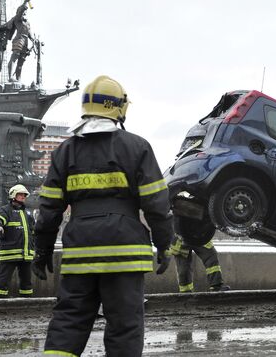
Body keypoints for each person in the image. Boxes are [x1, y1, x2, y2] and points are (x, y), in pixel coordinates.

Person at [32, 75, 174, 356]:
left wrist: (42, 250)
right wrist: (164, 244)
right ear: (119, 107)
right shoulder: (137, 147)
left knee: (68, 322)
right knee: (124, 327)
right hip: (126, 252)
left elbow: (49, 210)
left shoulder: (65, 151)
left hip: (80, 251)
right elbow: (157, 204)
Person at [0, 184, 35, 297]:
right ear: (13, 195)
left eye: (24, 195)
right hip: (9, 253)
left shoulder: (27, 213)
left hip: (26, 254)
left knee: (27, 282)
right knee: (3, 280)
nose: (23, 197)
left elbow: (33, 231)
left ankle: (27, 303)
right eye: (20, 194)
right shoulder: (5, 210)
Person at [169, 216, 230, 292]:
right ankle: (186, 293)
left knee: (211, 256)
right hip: (182, 236)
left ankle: (216, 285)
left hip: (198, 233)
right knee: (183, 269)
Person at [0, 0, 33, 81]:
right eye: (23, 12)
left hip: (25, 42)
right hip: (19, 40)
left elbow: (29, 33)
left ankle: (18, 78)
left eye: (25, 12)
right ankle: (10, 77)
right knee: (14, 57)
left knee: (21, 61)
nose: (24, 13)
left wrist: (34, 40)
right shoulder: (17, 19)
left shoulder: (27, 23)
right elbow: (20, 11)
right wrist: (25, 2)